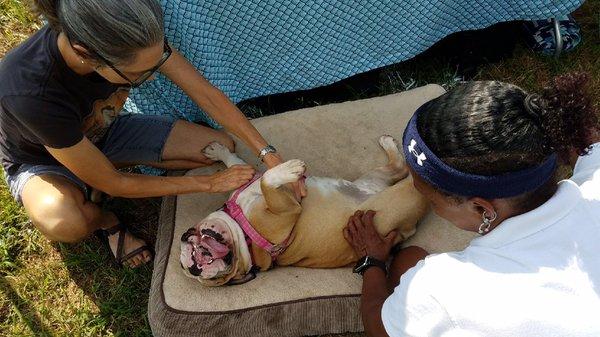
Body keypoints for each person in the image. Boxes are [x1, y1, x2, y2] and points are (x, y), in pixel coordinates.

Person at [0, 0, 305, 268]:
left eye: (157, 62)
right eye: (138, 74)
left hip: (106, 131)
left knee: (218, 145)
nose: (151, 74)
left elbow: (206, 95)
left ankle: (91, 181)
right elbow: (114, 182)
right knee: (65, 220)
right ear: (86, 53)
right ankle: (106, 220)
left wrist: (268, 152)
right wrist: (209, 183)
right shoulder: (28, 93)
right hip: (42, 161)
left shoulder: (128, 29)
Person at [344, 73, 600, 336]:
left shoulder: (444, 289)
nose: (428, 204)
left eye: (431, 200)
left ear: (482, 210)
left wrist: (372, 262)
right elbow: (592, 141)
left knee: (406, 262)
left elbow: (378, 328)